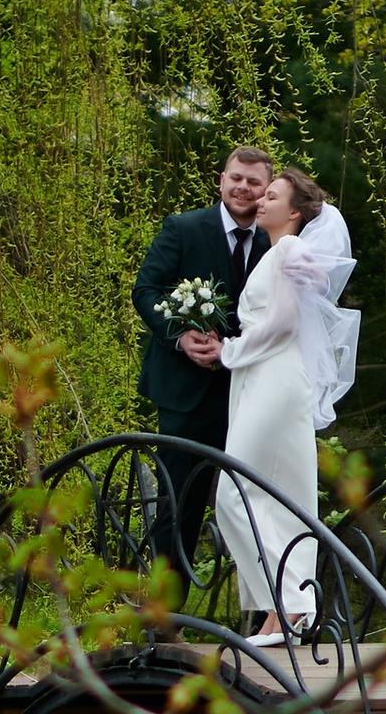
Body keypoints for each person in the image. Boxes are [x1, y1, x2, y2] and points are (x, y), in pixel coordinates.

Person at [215, 166, 360, 639]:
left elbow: (283, 324)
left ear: (295, 212)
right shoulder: (276, 252)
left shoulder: (289, 250)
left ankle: (296, 603)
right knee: (277, 494)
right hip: (261, 377)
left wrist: (229, 351)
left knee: (233, 492)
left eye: (272, 196)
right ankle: (280, 610)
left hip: (275, 376)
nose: (260, 201)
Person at [132, 144, 273, 582]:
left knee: (250, 503)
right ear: (221, 180)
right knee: (178, 503)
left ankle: (264, 608)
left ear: (267, 191)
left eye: (254, 182)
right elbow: (146, 290)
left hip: (247, 391)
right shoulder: (184, 228)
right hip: (185, 392)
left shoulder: (276, 241)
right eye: (236, 178)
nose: (243, 187)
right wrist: (180, 337)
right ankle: (164, 607)